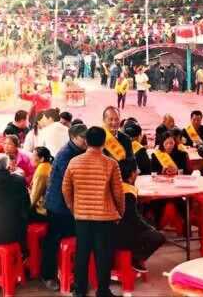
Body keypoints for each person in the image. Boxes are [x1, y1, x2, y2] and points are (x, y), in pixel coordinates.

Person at [62, 126, 125, 297]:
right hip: (104, 218)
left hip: (81, 216)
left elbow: (66, 188)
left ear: (87, 141)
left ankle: (80, 290)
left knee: (82, 253)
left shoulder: (74, 162)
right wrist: (120, 211)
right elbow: (119, 193)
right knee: (103, 255)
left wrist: (73, 207)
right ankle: (103, 291)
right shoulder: (111, 163)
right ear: (104, 142)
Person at [40, 124, 87, 291]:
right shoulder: (65, 155)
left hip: (72, 206)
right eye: (83, 138)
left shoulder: (81, 151)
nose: (86, 140)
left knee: (75, 239)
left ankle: (72, 275)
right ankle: (48, 276)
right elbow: (75, 180)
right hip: (58, 206)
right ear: (73, 138)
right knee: (53, 240)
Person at [102, 106, 137, 182]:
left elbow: (132, 162)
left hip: (123, 181)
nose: (114, 122)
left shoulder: (126, 139)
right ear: (104, 120)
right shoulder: (99, 137)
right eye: (111, 119)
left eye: (117, 119)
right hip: (104, 181)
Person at [29, 147, 52, 222]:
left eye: (33, 156)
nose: (31, 158)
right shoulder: (47, 166)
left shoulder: (41, 171)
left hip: (42, 211)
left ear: (42, 159)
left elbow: (33, 199)